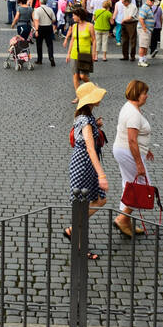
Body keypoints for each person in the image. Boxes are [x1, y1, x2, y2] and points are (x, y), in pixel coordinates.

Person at [64, 81, 109, 261]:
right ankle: (78, 241)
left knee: (98, 200)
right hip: (84, 166)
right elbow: (90, 148)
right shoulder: (85, 121)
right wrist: (102, 175)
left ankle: (74, 230)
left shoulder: (86, 117)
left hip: (85, 165)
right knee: (91, 202)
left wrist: (96, 126)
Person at [111, 79, 154, 237]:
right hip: (128, 152)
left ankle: (126, 221)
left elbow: (135, 138)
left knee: (129, 185)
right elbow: (131, 140)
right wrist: (139, 163)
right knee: (141, 186)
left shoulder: (129, 107)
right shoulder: (133, 114)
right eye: (144, 93)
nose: (146, 96)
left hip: (124, 150)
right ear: (137, 94)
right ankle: (122, 219)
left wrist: (146, 149)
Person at [64, 7, 95, 98]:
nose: (72, 17)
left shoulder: (90, 26)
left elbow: (94, 40)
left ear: (79, 16)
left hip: (85, 54)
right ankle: (79, 96)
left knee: (83, 76)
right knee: (75, 75)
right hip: (74, 53)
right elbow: (72, 40)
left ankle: (92, 87)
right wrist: (68, 53)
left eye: (74, 15)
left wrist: (94, 54)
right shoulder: (74, 26)